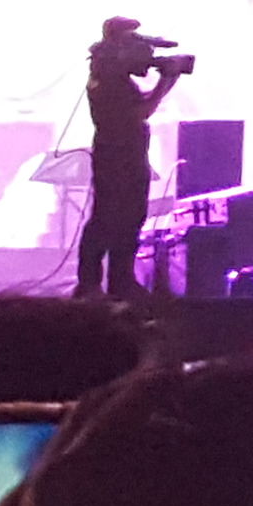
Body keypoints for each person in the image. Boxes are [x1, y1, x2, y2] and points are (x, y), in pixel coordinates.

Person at [77, 19, 187, 302]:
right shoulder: (109, 77)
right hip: (117, 155)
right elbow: (141, 111)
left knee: (129, 219)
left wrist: (169, 77)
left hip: (127, 153)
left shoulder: (110, 74)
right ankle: (90, 285)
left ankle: (119, 281)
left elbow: (141, 107)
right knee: (106, 219)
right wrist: (166, 79)